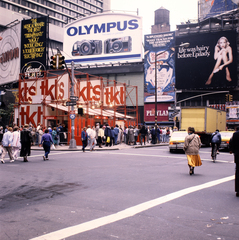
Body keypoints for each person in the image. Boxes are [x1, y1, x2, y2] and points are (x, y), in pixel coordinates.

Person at [229, 126, 239, 197]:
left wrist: (231, 150)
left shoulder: (235, 134)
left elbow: (231, 142)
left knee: (238, 172)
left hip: (238, 155)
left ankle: (238, 190)